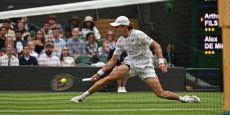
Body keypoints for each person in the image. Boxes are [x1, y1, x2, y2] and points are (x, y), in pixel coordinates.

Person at [71, 16, 200, 103]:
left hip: (146, 65)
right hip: (130, 62)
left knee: (161, 94)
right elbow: (113, 60)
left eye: (117, 26)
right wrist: (98, 73)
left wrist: (161, 62)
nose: (115, 29)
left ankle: (185, 99)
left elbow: (156, 45)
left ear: (124, 27)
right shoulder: (121, 40)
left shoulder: (138, 34)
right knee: (109, 77)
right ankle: (82, 97)